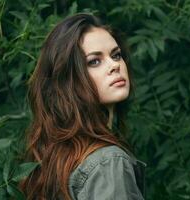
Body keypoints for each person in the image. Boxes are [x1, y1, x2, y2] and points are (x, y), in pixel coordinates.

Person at [20, 13, 146, 200]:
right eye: (94, 61)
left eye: (116, 55)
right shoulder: (108, 163)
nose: (115, 65)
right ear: (68, 81)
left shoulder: (57, 159)